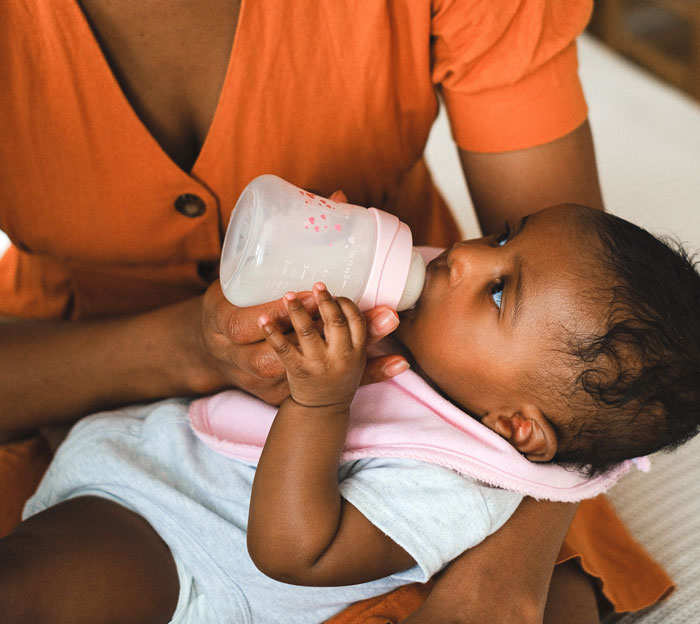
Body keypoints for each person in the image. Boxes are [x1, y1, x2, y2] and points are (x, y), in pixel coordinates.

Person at [0, 0, 674, 621]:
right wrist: (194, 346)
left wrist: (510, 567)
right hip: (75, 375)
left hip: (455, 462)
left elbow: (590, 339)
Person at [5, 203, 700, 624]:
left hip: (183, 549)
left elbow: (294, 550)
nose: (462, 258)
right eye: (501, 237)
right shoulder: (429, 322)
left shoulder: (459, 488)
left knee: (26, 592)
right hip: (146, 443)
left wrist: (321, 402)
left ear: (518, 427)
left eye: (498, 292)